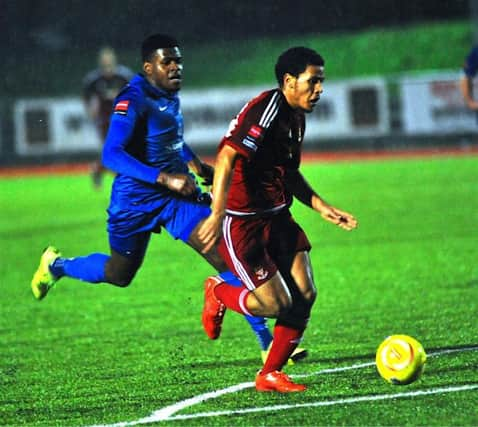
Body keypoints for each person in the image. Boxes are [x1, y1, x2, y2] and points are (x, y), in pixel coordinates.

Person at [31, 33, 305, 364]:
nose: (176, 67)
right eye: (167, 62)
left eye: (178, 61)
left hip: (178, 198)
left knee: (225, 254)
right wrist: (165, 178)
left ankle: (265, 343)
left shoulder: (168, 93)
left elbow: (169, 138)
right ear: (149, 67)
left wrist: (193, 164)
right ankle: (57, 266)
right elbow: (110, 155)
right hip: (134, 202)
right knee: (120, 273)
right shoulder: (132, 99)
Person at [198, 47, 358, 392]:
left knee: (305, 293)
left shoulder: (296, 117)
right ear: (289, 81)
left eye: (322, 82)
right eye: (312, 82)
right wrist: (217, 212)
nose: (319, 90)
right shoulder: (268, 109)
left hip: (278, 216)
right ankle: (219, 292)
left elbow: (288, 172)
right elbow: (226, 156)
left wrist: (321, 206)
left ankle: (269, 374)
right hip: (243, 222)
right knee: (275, 304)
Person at [83, 47, 134, 188]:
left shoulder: (123, 76)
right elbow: (86, 97)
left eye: (109, 62)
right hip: (105, 121)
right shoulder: (94, 80)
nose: (107, 65)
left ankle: (98, 169)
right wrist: (90, 110)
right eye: (104, 62)